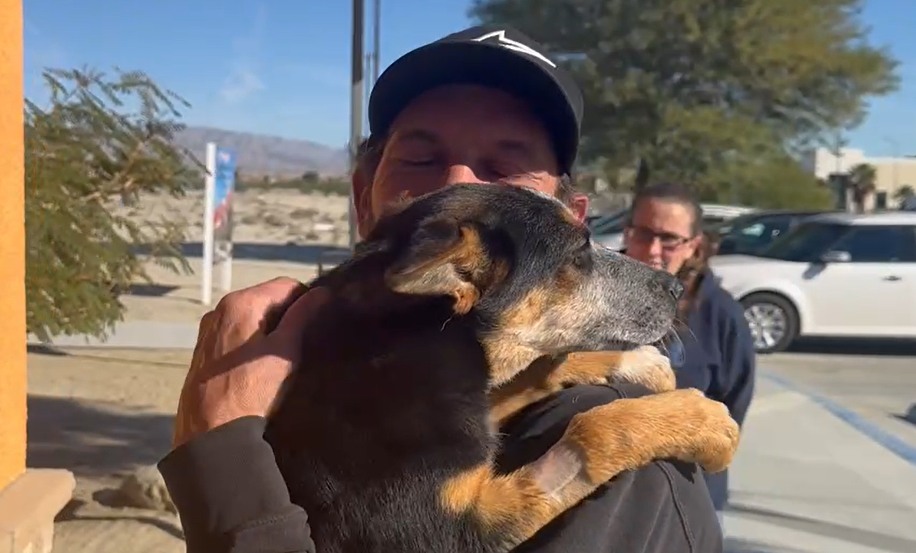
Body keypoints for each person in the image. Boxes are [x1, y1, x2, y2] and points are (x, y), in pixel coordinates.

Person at [158, 26, 725, 553]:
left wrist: (222, 456)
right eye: (421, 159)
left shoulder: (632, 473)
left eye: (506, 171)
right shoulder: (292, 368)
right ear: (363, 198)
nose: (457, 186)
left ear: (569, 222)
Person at [622, 182, 757, 524]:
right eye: (643, 233)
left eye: (669, 239)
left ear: (693, 245)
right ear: (628, 231)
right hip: (605, 500)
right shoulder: (590, 297)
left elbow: (732, 408)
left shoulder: (721, 315)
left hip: (684, 503)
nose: (653, 250)